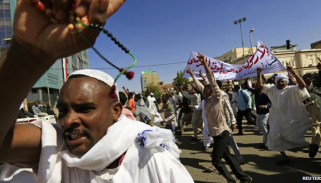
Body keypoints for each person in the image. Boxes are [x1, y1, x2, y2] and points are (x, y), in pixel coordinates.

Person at [0, 1, 194, 182]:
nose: (67, 120)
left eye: (84, 109)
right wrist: (26, 54)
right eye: (63, 110)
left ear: (115, 111)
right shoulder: (57, 143)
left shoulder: (153, 157)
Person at [189, 53, 252, 183]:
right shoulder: (206, 99)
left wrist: (204, 63)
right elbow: (200, 86)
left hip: (222, 132)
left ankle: (231, 180)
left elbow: (211, 79)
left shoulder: (216, 97)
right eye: (204, 89)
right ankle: (245, 178)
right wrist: (192, 75)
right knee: (228, 156)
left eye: (206, 89)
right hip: (215, 133)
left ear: (211, 90)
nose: (203, 91)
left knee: (216, 161)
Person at [256, 67, 311, 165]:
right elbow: (259, 86)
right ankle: (284, 157)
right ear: (276, 82)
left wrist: (293, 72)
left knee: (294, 137)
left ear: (286, 82)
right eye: (279, 82)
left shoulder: (292, 89)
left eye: (283, 81)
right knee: (275, 136)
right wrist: (258, 73)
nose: (281, 83)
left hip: (291, 118)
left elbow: (303, 85)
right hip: (276, 118)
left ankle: (310, 146)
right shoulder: (272, 89)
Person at [243, 78, 271, 148]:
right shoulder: (255, 92)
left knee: (264, 128)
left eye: (257, 85)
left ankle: (266, 143)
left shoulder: (265, 94)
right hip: (258, 113)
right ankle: (269, 135)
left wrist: (266, 106)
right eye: (256, 85)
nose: (256, 87)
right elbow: (247, 87)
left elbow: (271, 103)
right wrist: (246, 79)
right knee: (259, 126)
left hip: (265, 113)